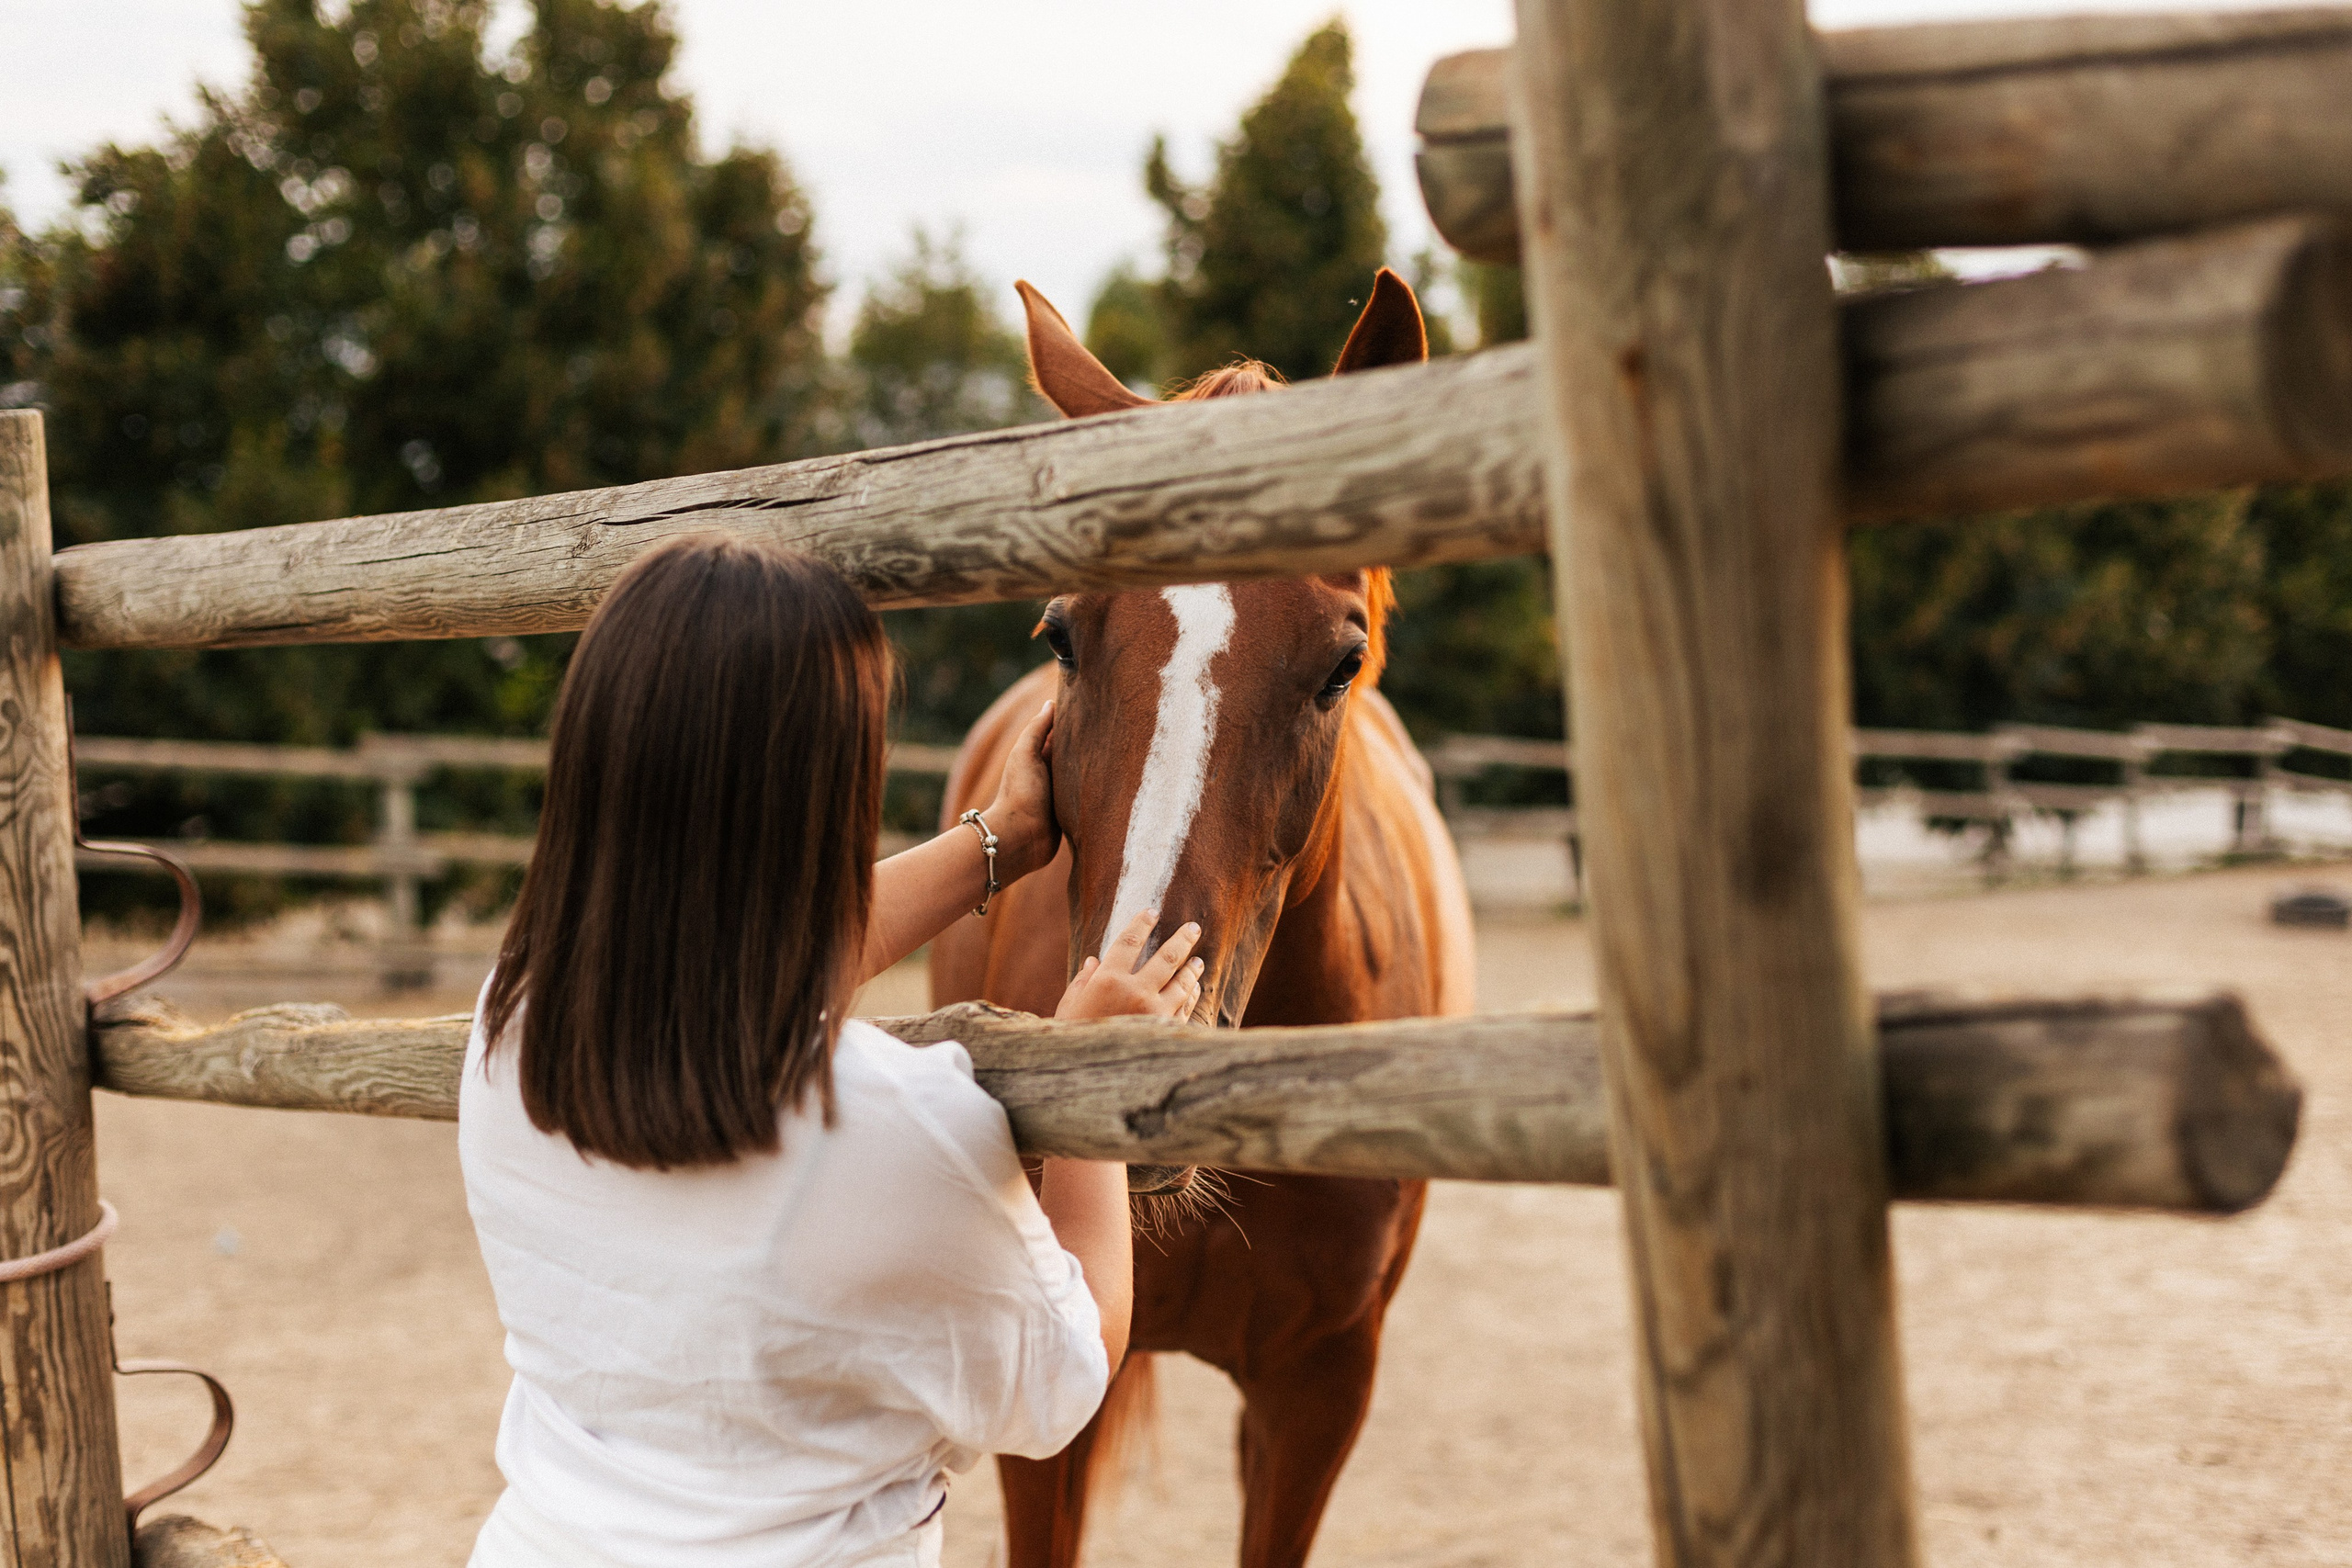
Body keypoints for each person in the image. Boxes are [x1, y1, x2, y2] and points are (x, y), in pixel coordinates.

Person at [459, 534, 1204, 1567]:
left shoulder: (511, 1024)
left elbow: (735, 964)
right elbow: (1064, 1380)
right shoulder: (894, 1122)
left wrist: (999, 841)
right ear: (824, 789)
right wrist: (1089, 1084)